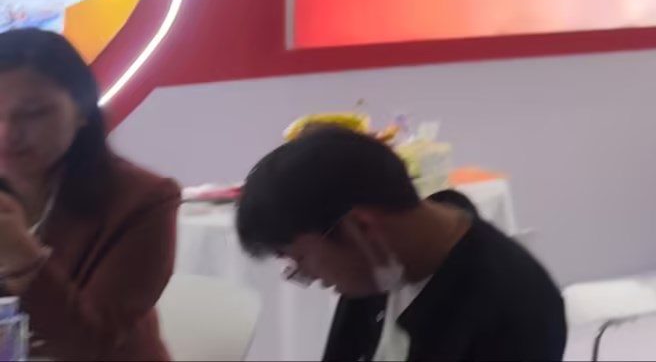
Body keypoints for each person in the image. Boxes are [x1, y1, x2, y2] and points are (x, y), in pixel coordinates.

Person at [237, 126, 564, 362]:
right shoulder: (381, 263)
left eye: (301, 260)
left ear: (361, 227)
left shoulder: (511, 311)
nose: (310, 278)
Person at [0, 30, 176, 361]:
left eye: (33, 112)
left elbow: (93, 345)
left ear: (82, 111)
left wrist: (22, 257)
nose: (7, 134)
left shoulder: (143, 200)